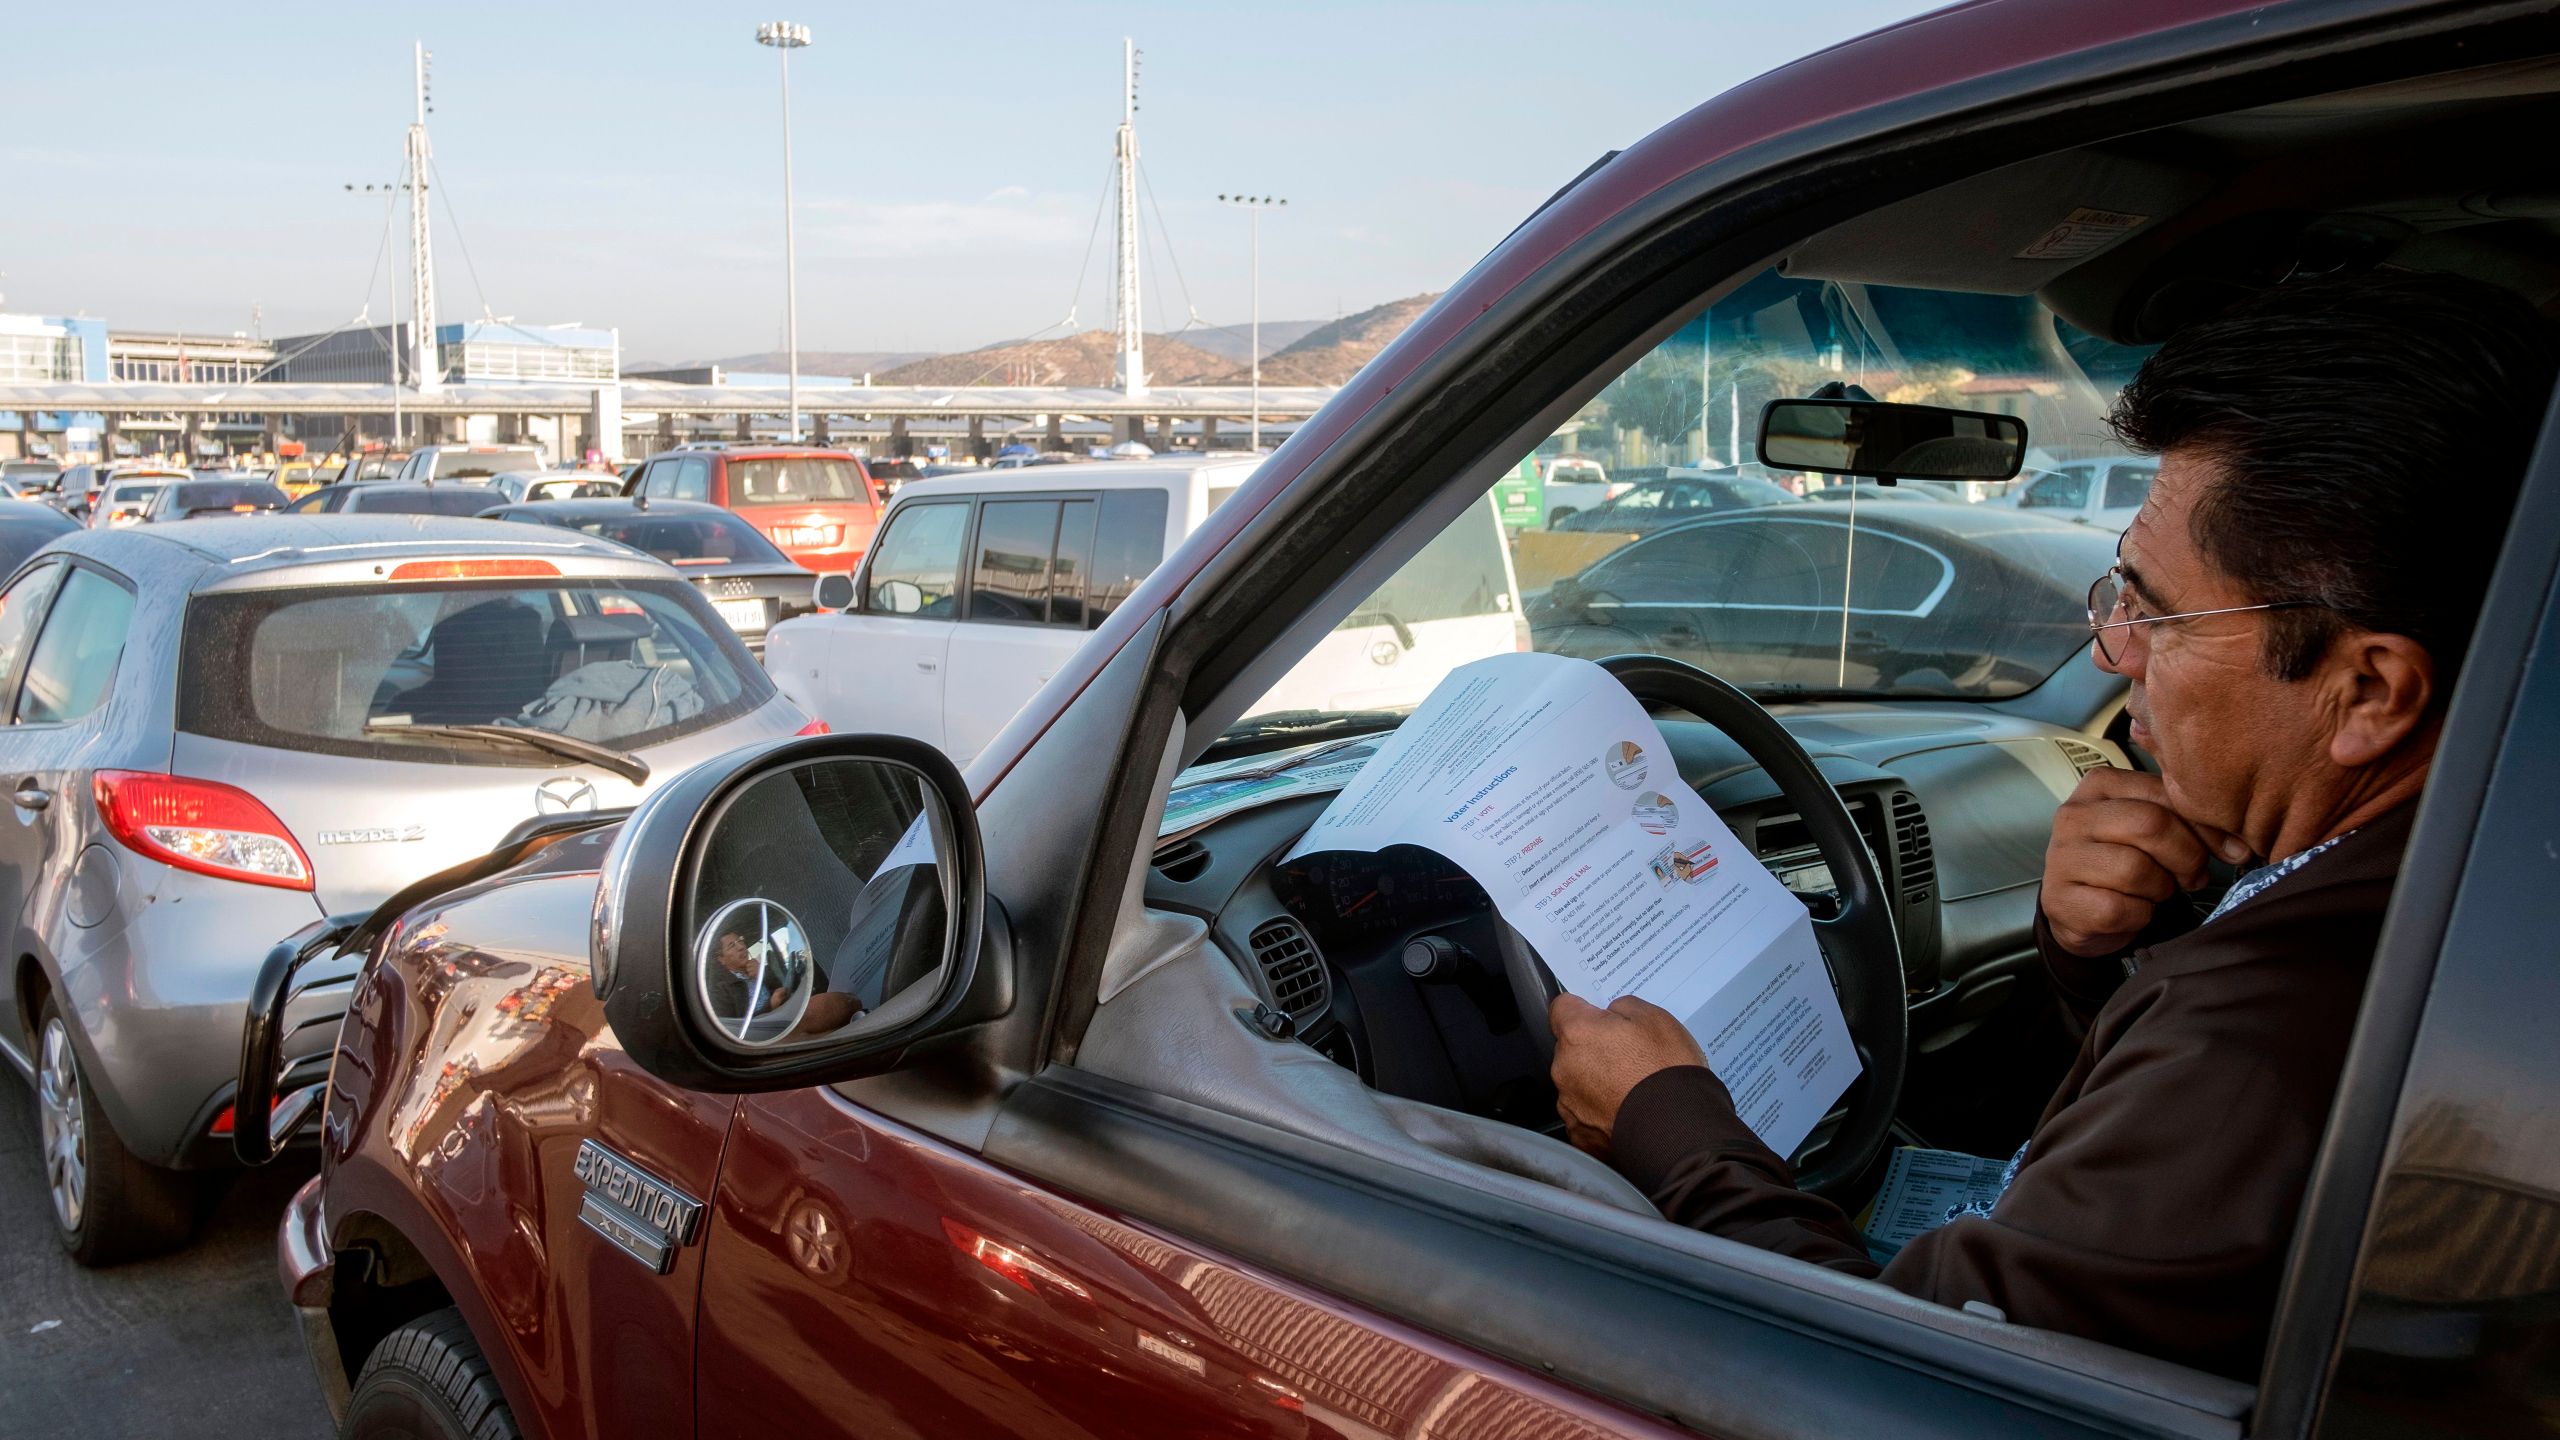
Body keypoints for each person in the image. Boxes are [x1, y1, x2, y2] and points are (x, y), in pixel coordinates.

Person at [1545, 270, 2559, 1379]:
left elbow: (1886, 1387)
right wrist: (2101, 963)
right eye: (2116, 592)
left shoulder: (2262, 1039)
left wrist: (1668, 1126)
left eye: (2158, 613)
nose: (2111, 655)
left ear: (2367, 695)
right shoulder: (2461, 891)